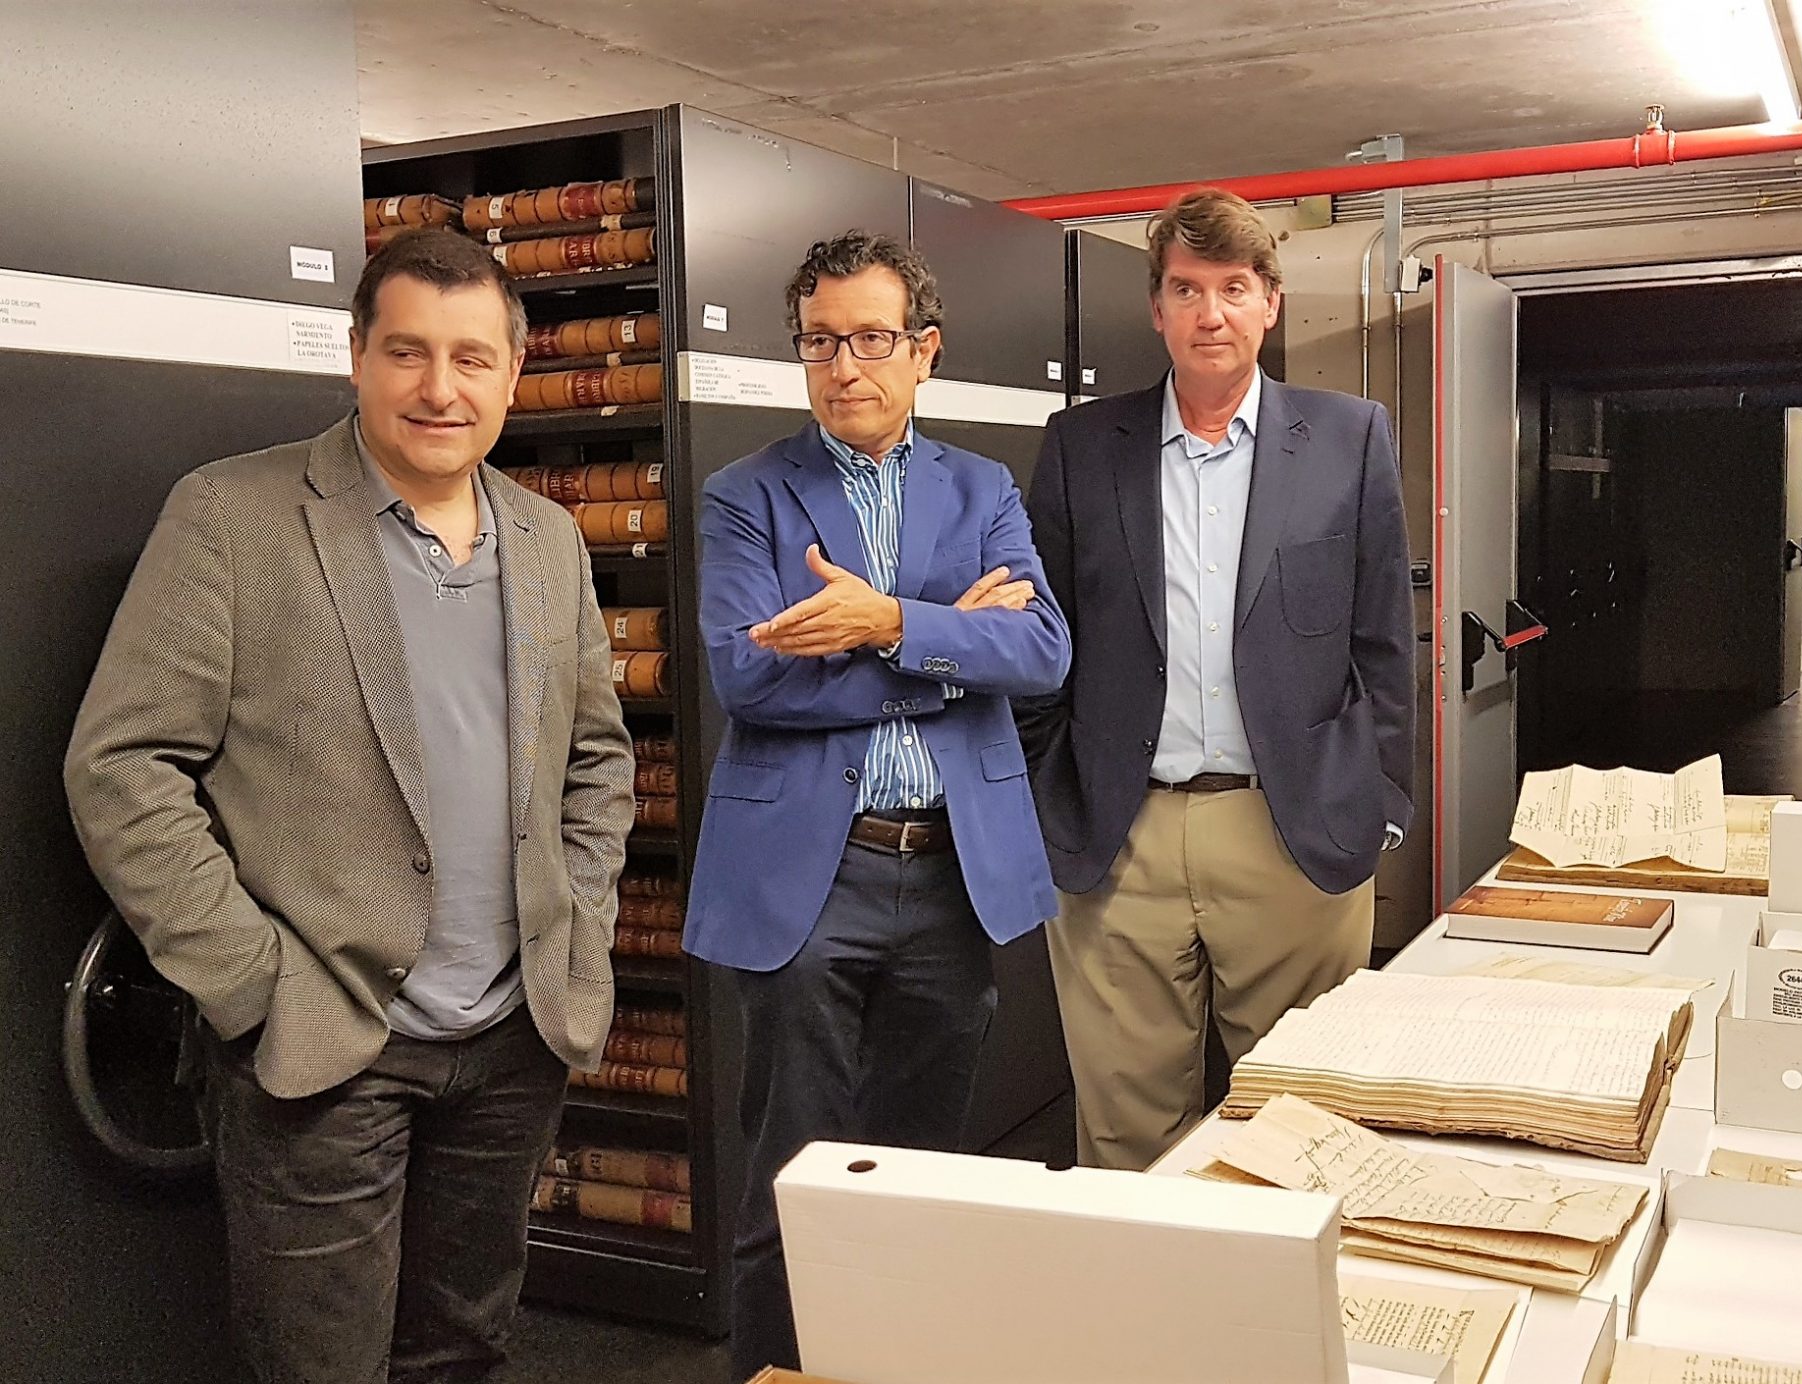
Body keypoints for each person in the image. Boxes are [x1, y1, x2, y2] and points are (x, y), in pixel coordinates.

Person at [64, 228, 636, 1384]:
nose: (440, 388)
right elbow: (121, 766)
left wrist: (574, 918)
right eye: (408, 352)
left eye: (472, 358)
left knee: (464, 1347)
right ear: (356, 357)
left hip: (513, 1036)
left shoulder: (547, 537)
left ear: (513, 373)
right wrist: (248, 979)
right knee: (318, 1364)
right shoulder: (233, 517)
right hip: (326, 1041)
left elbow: (595, 758)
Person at [684, 230, 1070, 1380]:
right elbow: (749, 674)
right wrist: (955, 634)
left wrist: (883, 620)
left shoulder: (983, 486)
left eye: (869, 338)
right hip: (810, 874)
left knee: (916, 1177)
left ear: (922, 350)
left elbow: (1042, 649)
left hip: (950, 874)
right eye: (819, 341)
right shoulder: (745, 495)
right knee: (791, 1179)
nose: (843, 365)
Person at [1018, 188, 1416, 1171]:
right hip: (1118, 841)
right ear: (1154, 307)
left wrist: (1381, 801)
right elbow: (1037, 637)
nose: (1210, 313)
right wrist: (1044, 793)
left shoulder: (1346, 438)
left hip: (1290, 833)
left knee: (1302, 1138)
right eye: (1186, 289)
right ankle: (1139, 1328)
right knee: (1123, 1140)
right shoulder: (1079, 448)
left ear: (1268, 302)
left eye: (1232, 287)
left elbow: (1383, 641)